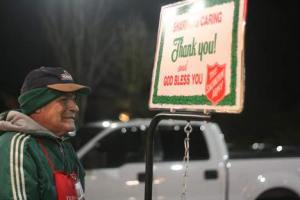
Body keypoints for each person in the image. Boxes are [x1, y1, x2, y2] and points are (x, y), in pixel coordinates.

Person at [0, 66, 90, 200]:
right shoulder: (18, 146)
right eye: (64, 100)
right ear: (37, 105)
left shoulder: (64, 146)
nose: (75, 107)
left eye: (74, 99)